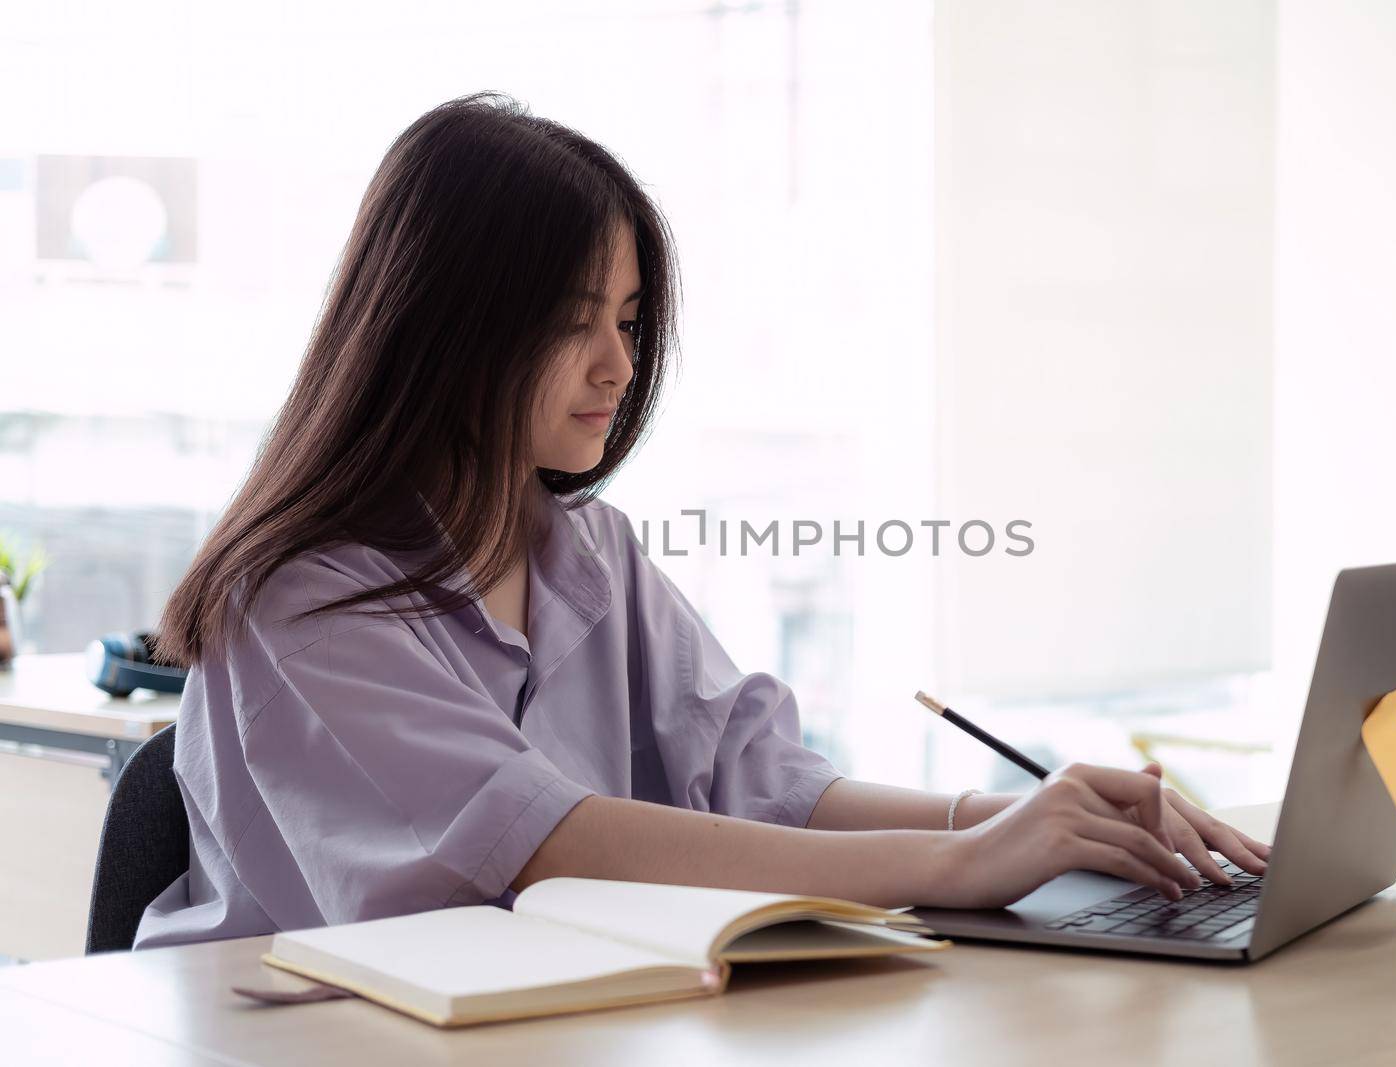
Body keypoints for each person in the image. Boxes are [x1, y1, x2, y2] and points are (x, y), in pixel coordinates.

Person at [133, 92, 1268, 949]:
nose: (619, 363)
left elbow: (766, 780)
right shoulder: (304, 592)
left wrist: (1034, 811)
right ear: (446, 324)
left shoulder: (586, 552)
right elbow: (548, 841)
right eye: (577, 321)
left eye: (629, 321)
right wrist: (966, 858)